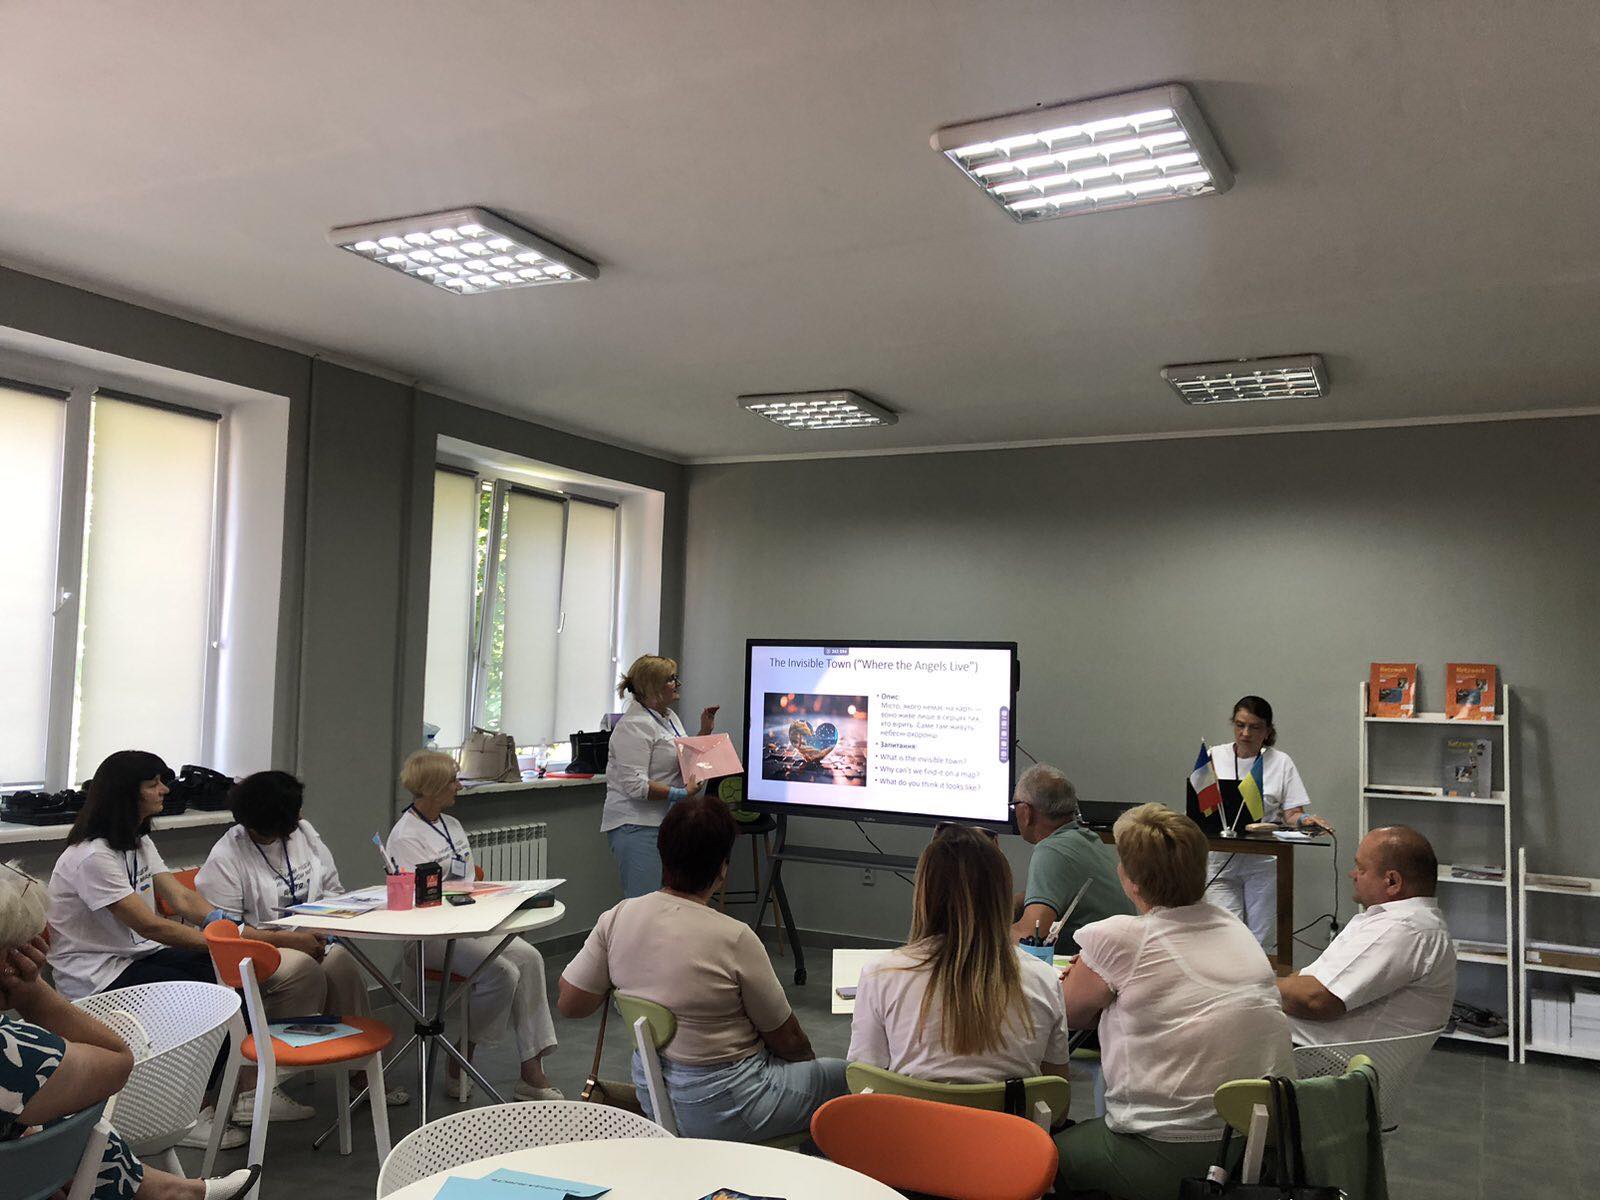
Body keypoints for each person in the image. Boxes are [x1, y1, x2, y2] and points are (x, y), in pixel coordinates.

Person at [557, 797, 846, 1142]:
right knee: (847, 1079)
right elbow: (789, 1041)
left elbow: (571, 1004)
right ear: (722, 867)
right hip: (731, 1107)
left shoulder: (617, 917)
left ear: (663, 853)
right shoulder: (735, 937)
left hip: (654, 1098)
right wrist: (803, 1069)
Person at [1057, 804, 1293, 1200]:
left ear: (1131, 880)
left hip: (1165, 1148)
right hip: (1254, 1146)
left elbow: (1067, 1011)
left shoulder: (1121, 937)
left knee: (1036, 1154)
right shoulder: (1233, 927)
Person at [1, 862, 260, 1200]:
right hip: (99, 978)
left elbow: (176, 900)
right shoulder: (13, 1051)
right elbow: (117, 1061)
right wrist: (32, 994)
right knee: (58, 1115)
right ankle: (170, 1187)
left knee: (35, 1122)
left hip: (130, 960)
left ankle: (165, 1188)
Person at [196, 770, 407, 1121]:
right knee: (301, 968)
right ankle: (256, 1086)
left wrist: (324, 928)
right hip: (258, 949)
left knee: (341, 964)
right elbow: (228, 930)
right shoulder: (227, 856)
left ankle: (361, 1072)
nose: (301, 817)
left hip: (309, 936)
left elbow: (332, 890)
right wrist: (290, 940)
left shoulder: (304, 835)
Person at [387, 750, 561, 1101]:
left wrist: (504, 909)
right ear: (433, 787)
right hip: (430, 937)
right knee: (502, 972)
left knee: (530, 958)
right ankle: (462, 1054)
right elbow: (421, 899)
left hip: (469, 925)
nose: (459, 786)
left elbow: (468, 882)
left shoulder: (451, 825)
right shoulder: (405, 836)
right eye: (452, 780)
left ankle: (531, 1070)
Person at [849, 823, 1072, 1084]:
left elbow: (864, 1081)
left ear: (924, 894)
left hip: (911, 1112)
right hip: (1008, 1112)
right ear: (1001, 895)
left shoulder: (880, 975)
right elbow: (1056, 1093)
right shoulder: (1044, 980)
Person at [47, 751, 228, 999]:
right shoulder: (92, 856)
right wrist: (221, 943)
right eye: (153, 785)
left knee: (220, 970)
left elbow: (181, 898)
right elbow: (149, 926)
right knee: (203, 991)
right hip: (96, 974)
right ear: (126, 795)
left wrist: (220, 923)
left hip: (137, 955)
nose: (165, 790)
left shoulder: (138, 841)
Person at [1278, 826, 1456, 1044]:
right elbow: (1309, 980)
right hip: (1301, 1042)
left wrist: (1254, 985)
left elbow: (1316, 1000)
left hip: (1313, 1054)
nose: (1352, 875)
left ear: (1392, 881)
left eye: (1361, 869)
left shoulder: (1403, 929)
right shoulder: (1398, 922)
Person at [1202, 696, 1333, 953]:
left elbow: (1292, 813)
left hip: (1262, 861)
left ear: (1268, 731)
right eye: (1240, 725)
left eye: (1254, 727)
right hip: (1219, 858)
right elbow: (1201, 807)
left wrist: (1306, 820)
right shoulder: (1214, 756)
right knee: (1225, 937)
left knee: (1257, 939)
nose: (1245, 733)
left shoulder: (1280, 762)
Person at [602, 654, 721, 898]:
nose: (677, 684)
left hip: (665, 823)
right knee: (644, 903)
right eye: (671, 679)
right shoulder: (634, 725)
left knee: (667, 901)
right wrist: (681, 794)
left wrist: (704, 732)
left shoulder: (668, 717)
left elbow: (681, 757)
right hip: (637, 825)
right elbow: (636, 786)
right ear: (652, 686)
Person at [1010, 764, 1134, 954]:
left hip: (1091, 962)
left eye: (1014, 806)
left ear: (1026, 812)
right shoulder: (1087, 839)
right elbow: (1059, 891)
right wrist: (1013, 903)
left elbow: (1028, 937)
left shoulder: (1051, 850)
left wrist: (981, 930)